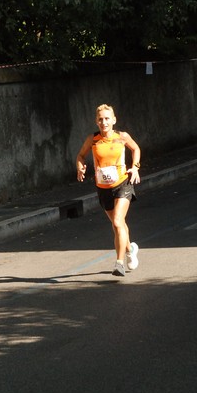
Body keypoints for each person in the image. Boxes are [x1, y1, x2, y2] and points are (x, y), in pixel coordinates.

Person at [76, 103, 141, 277]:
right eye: (100, 119)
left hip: (122, 184)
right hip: (103, 188)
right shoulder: (93, 139)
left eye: (107, 119)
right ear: (96, 122)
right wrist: (80, 167)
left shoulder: (122, 136)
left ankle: (119, 263)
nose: (104, 122)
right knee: (117, 225)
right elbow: (81, 155)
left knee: (118, 222)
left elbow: (135, 149)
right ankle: (130, 250)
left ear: (113, 120)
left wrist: (135, 167)